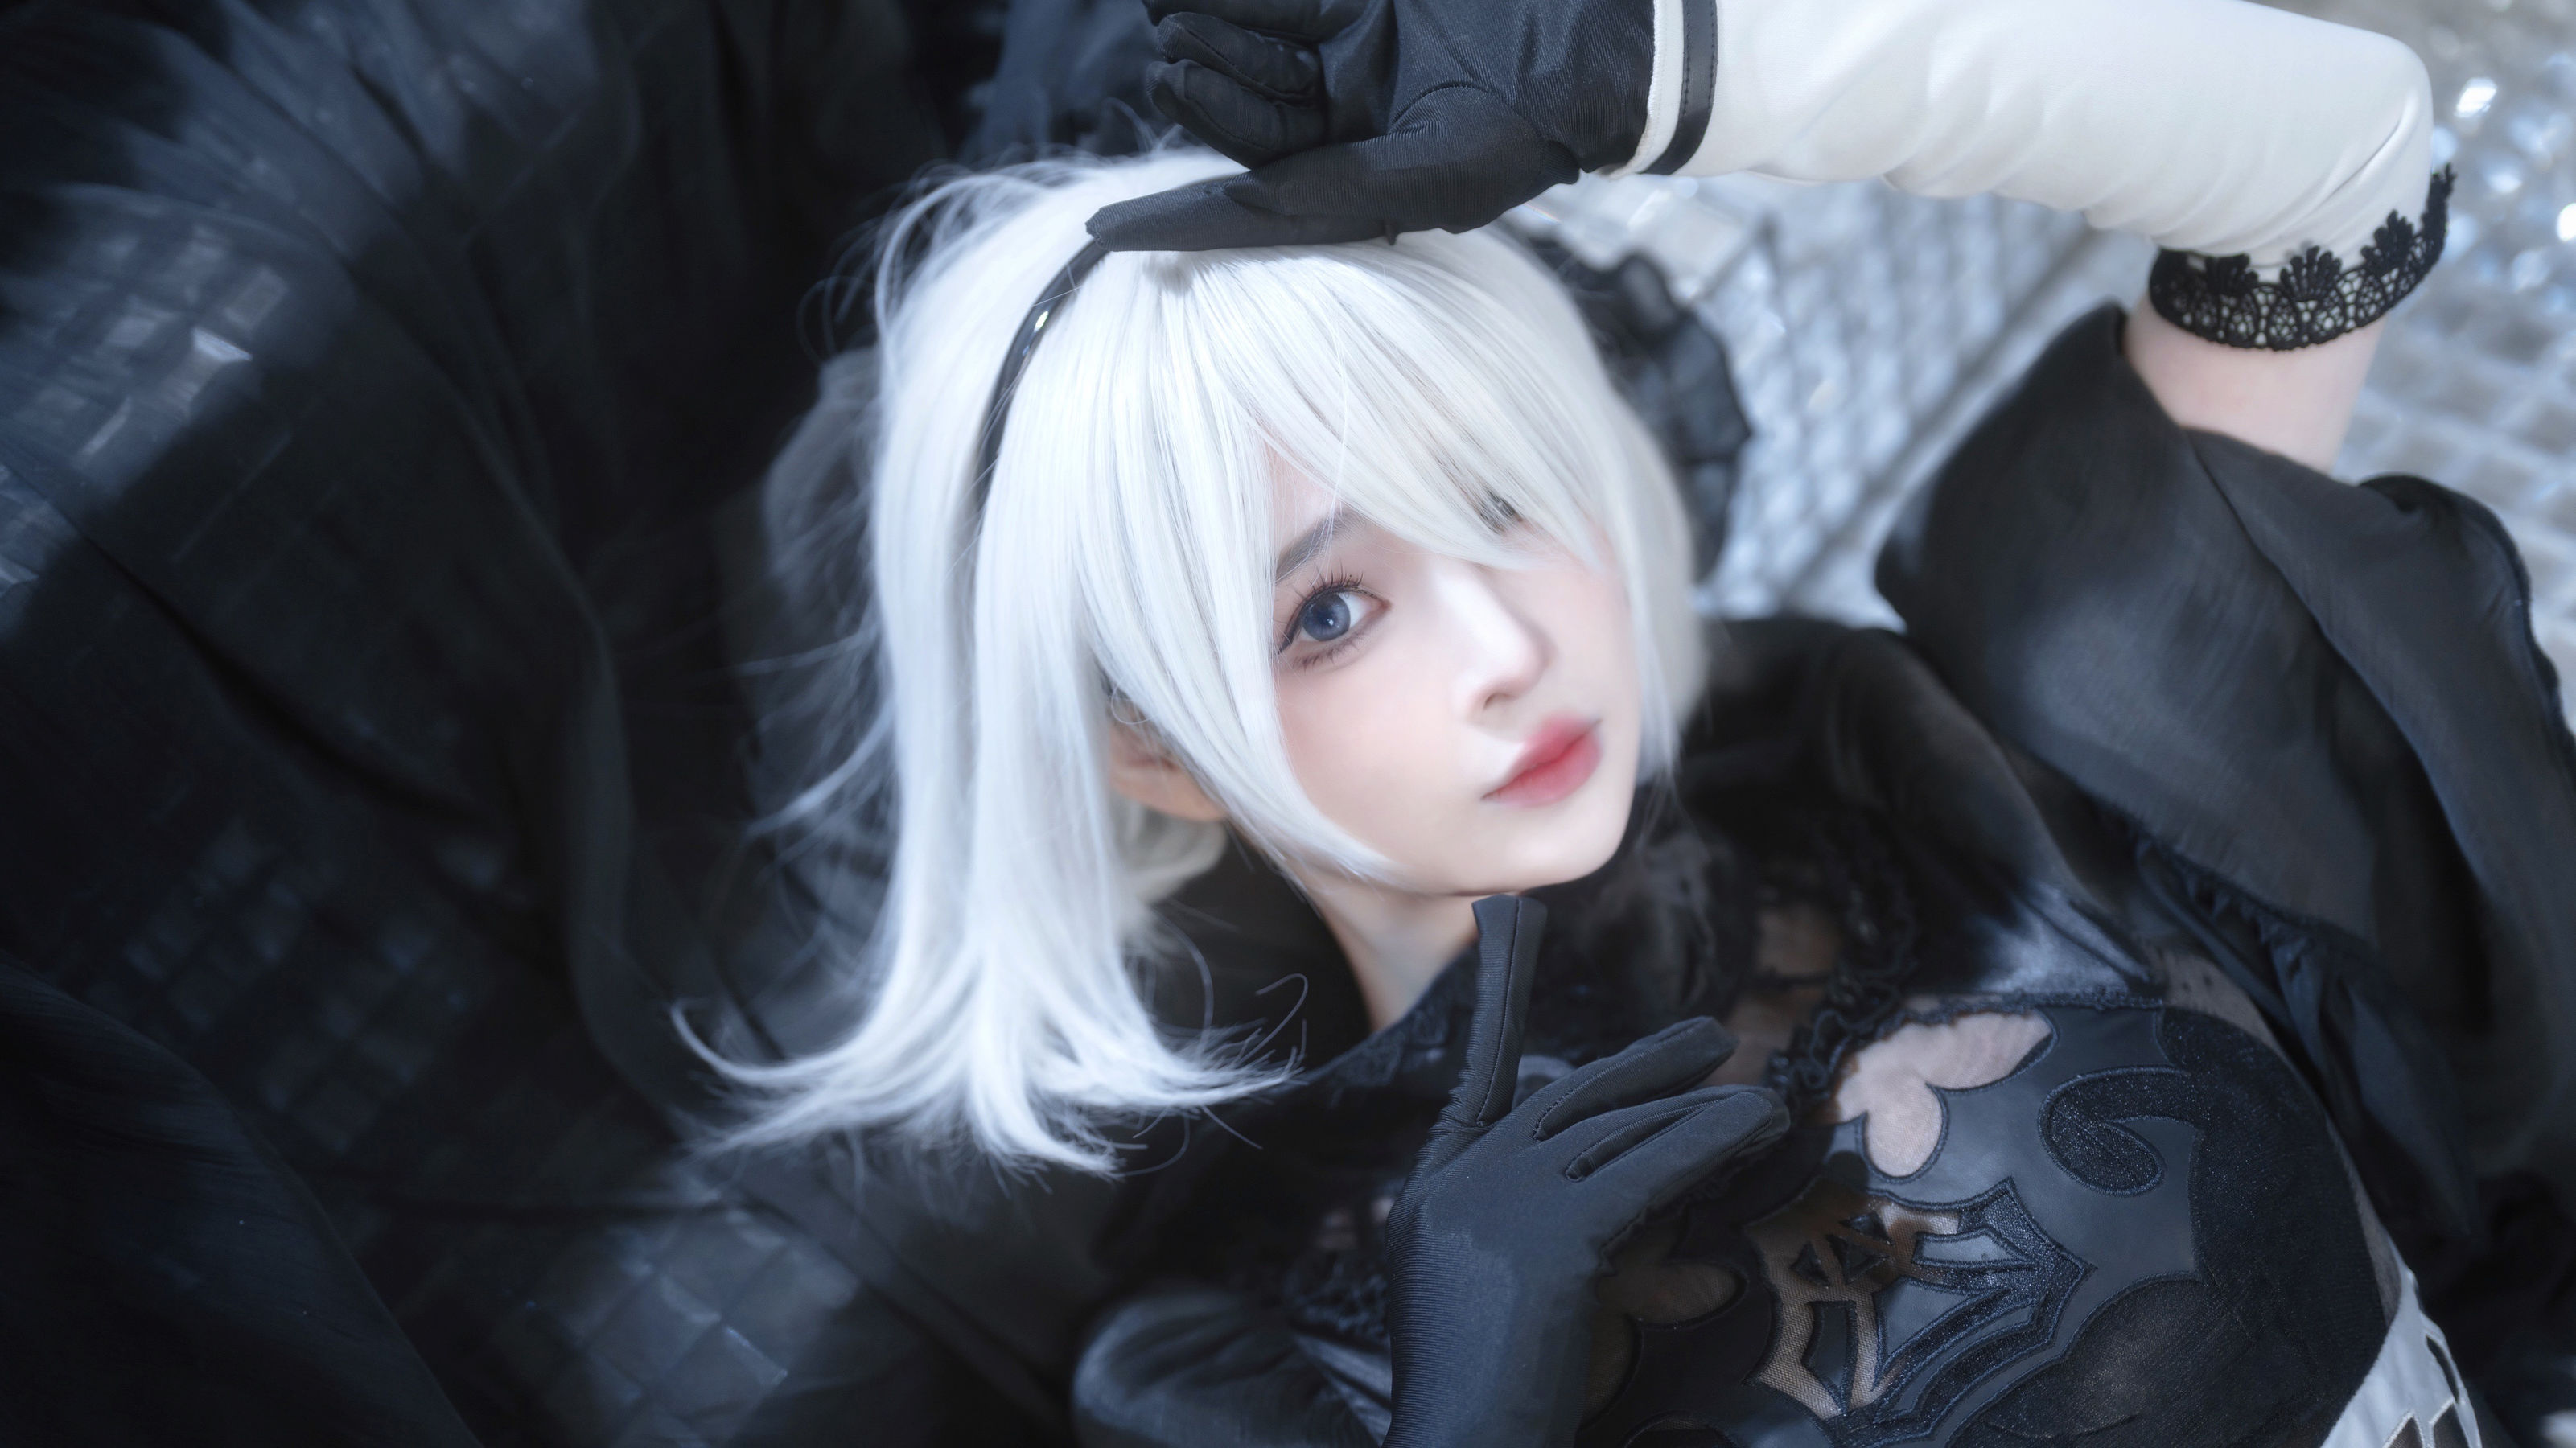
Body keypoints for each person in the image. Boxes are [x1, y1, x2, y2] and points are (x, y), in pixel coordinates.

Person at [714, 0, 2576, 1441]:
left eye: (1500, 497)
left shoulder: (1959, 760)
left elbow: (2337, 166)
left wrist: (1648, 62)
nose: (1503, 645)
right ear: (1155, 752)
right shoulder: (1234, 1364)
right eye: (1328, 612)